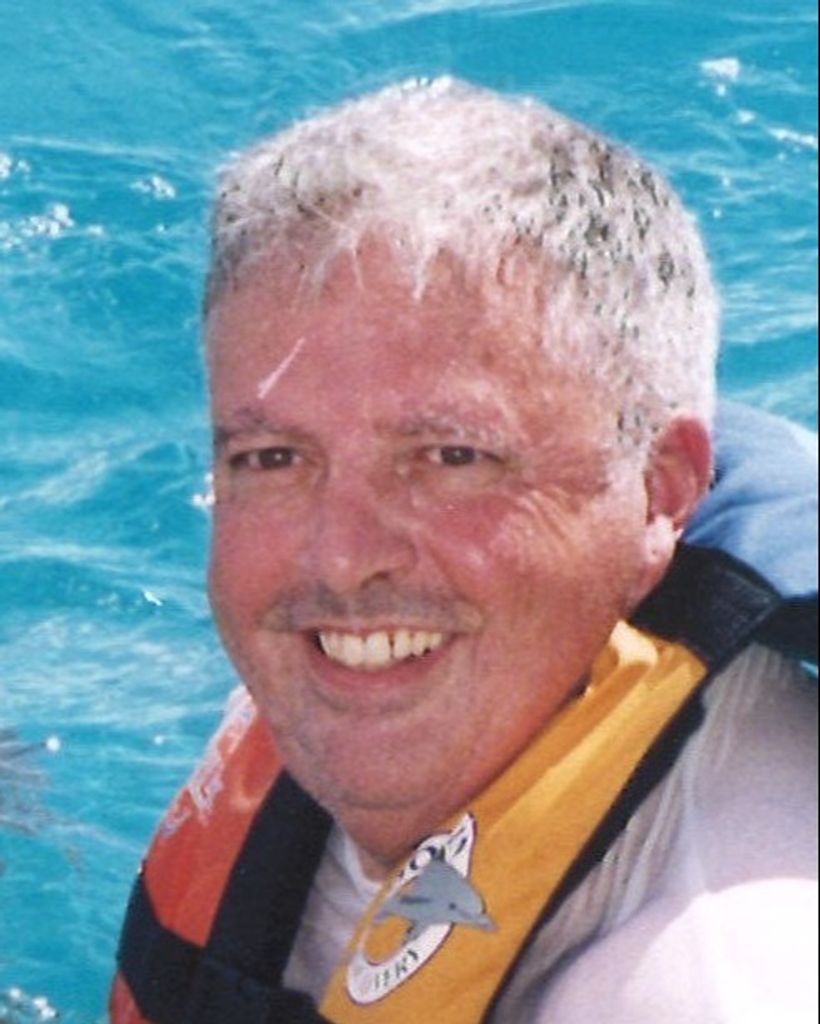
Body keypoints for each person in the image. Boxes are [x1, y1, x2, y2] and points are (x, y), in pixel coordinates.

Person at [111, 78, 817, 1023]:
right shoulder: (398, 697)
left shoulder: (710, 980)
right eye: (274, 458)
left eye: (451, 458)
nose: (341, 559)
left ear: (660, 492)